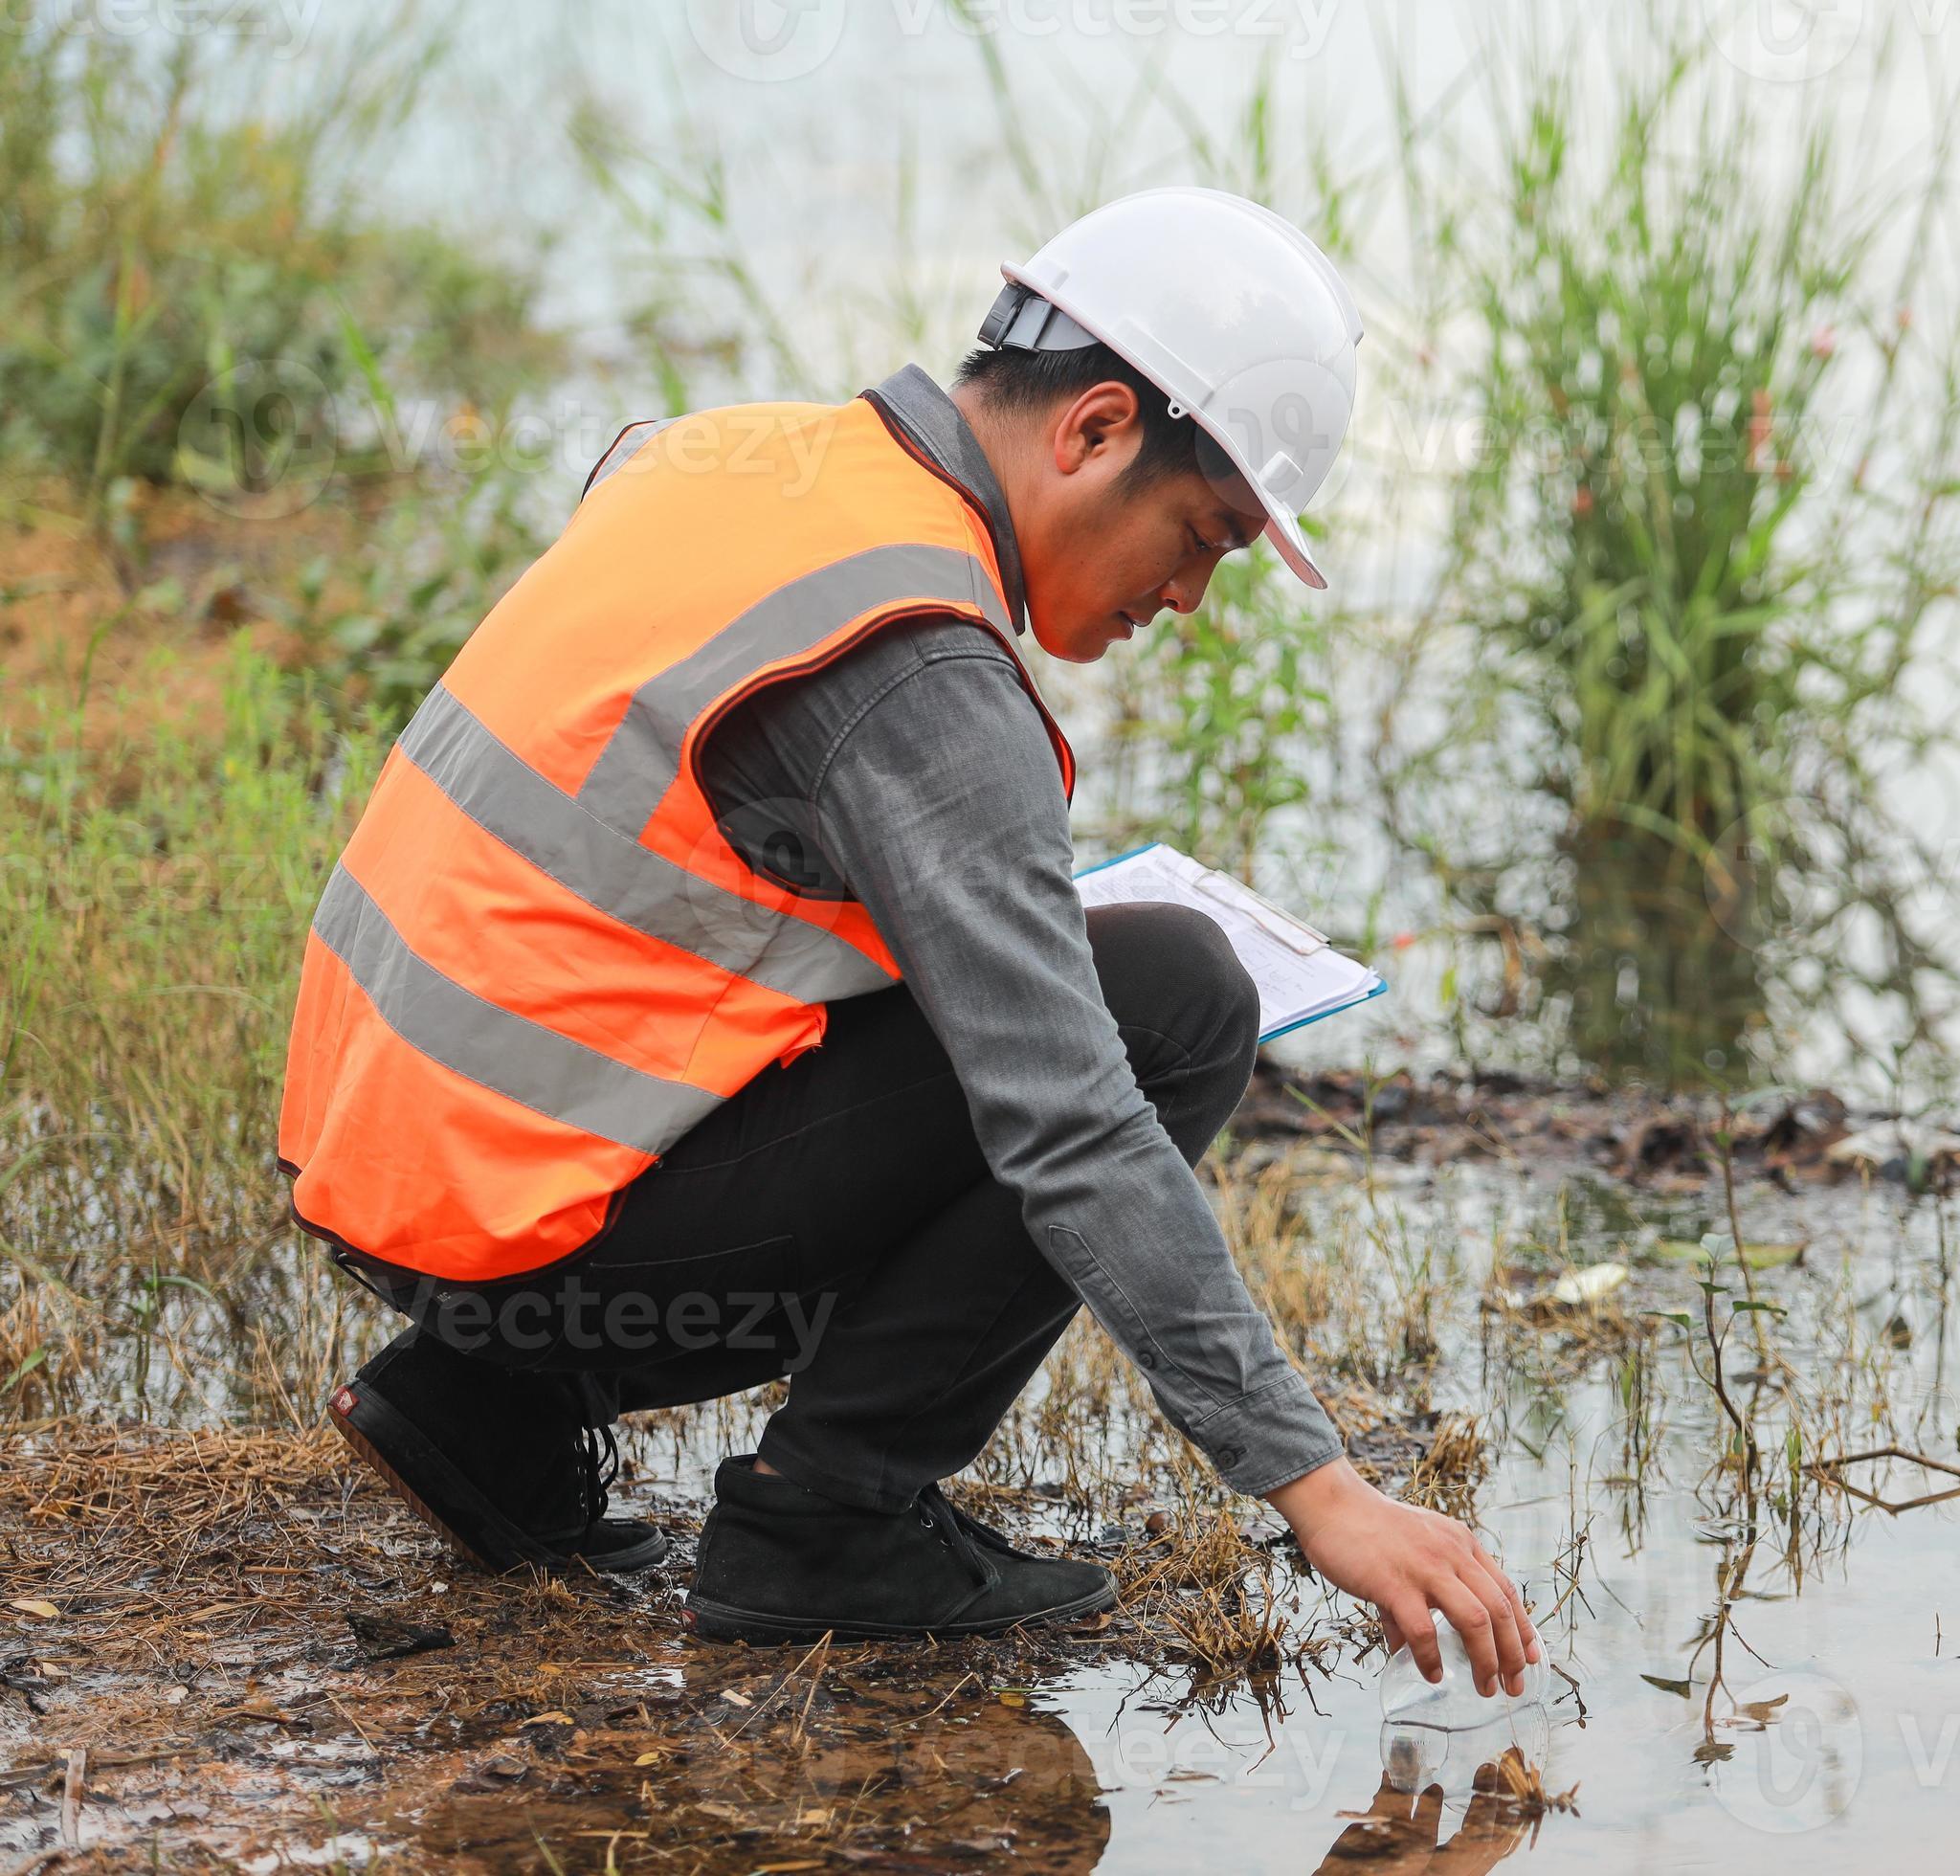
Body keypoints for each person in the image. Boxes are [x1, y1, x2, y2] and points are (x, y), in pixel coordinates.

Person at [277, 187, 1538, 1698]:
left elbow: (666, 874)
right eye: (1203, 534)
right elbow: (1069, 1125)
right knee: (1179, 1001)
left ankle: (481, 1414)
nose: (1192, 596)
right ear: (1094, 429)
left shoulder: (738, 458)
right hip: (534, 1238)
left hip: (392, 1171)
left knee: (1049, 976)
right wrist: (1320, 1491)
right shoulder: (918, 658)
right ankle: (828, 1523)